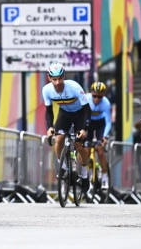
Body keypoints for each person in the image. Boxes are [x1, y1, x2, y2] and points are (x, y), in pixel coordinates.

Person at [42, 62, 91, 193]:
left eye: (60, 78)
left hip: (80, 114)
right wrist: (50, 127)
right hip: (64, 114)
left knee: (79, 145)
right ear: (49, 78)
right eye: (54, 79)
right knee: (58, 140)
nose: (57, 82)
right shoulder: (47, 90)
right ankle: (63, 167)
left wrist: (84, 129)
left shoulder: (74, 87)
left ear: (64, 77)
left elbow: (87, 109)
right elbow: (49, 112)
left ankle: (85, 175)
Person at [84, 82, 111, 189]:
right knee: (86, 150)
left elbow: (108, 122)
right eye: (94, 96)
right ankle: (86, 174)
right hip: (88, 123)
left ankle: (104, 177)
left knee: (100, 150)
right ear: (91, 94)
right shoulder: (86, 99)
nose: (96, 99)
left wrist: (105, 136)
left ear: (103, 96)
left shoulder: (106, 103)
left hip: (100, 124)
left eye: (99, 97)